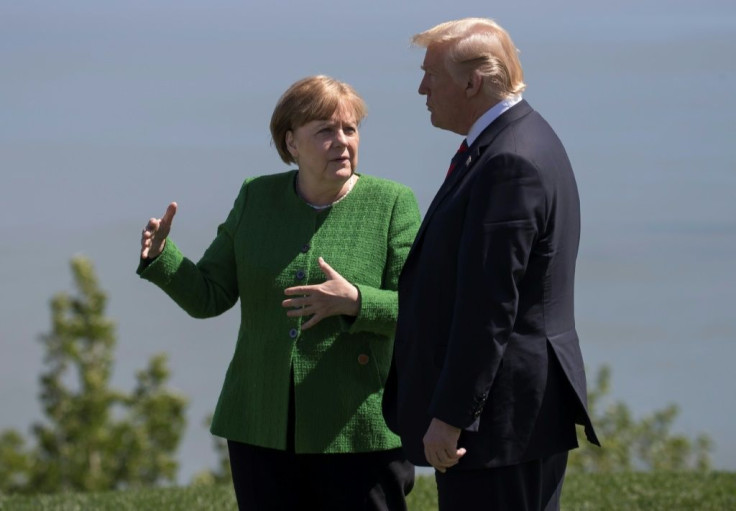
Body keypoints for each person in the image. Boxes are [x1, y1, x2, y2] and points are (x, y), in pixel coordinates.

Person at [138, 75, 420, 510]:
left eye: (350, 129)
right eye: (325, 131)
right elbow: (209, 295)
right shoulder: (256, 197)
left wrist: (357, 302)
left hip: (357, 430)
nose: (342, 142)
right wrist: (163, 258)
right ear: (291, 144)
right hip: (260, 426)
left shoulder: (392, 204)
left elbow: (421, 310)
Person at [382, 18, 600, 511]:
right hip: (512, 419)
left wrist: (451, 415)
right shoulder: (520, 138)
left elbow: (490, 306)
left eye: (430, 75)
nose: (421, 89)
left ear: (472, 82)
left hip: (498, 425)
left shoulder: (509, 161)